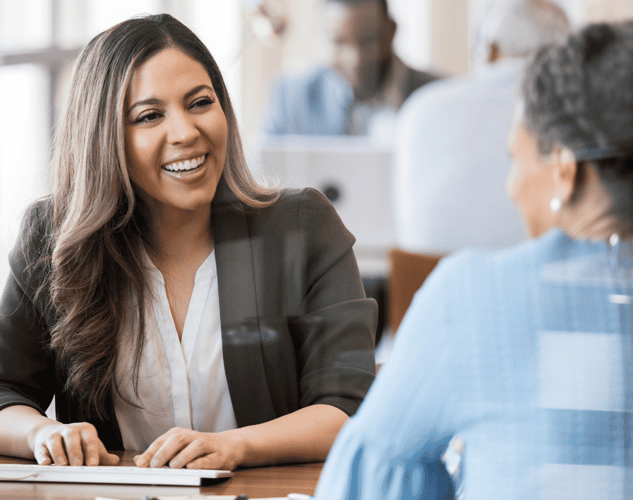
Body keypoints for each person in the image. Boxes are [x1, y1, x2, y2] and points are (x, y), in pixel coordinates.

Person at [0, 14, 377, 470]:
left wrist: (234, 447)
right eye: (149, 116)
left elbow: (348, 407)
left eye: (199, 103)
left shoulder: (302, 227)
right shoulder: (53, 237)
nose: (184, 132)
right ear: (104, 137)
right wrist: (44, 433)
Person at [316, 21, 633, 499]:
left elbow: (370, 479)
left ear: (565, 170)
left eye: (516, 159)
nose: (510, 188)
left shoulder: (475, 296)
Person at [392, 0, 571, 254]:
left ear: (491, 50)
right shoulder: (570, 116)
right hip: (531, 279)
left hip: (419, 282)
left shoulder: (419, 107)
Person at [263, 0, 440, 138]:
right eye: (338, 42)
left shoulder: (438, 96)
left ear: (391, 31)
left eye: (369, 40)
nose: (355, 59)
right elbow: (261, 177)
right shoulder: (291, 98)